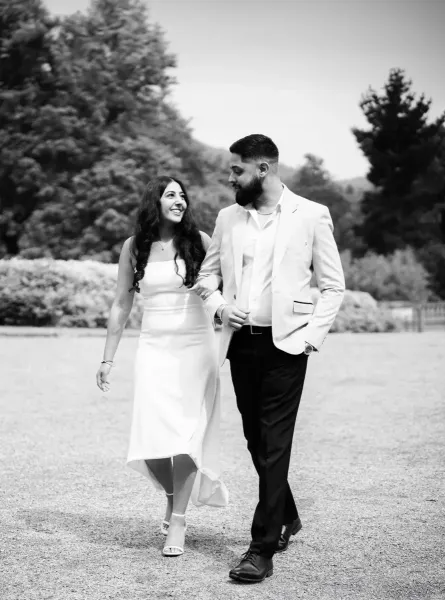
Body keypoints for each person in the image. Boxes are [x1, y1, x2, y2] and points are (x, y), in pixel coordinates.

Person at [193, 134, 345, 583]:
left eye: (237, 169)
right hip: (241, 344)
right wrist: (221, 306)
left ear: (263, 168)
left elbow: (333, 285)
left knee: (274, 442)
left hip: (287, 347)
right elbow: (206, 277)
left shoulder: (311, 215)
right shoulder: (228, 217)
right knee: (255, 440)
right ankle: (288, 515)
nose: (230, 176)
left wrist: (311, 338)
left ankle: (261, 548)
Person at [96, 175, 228, 558]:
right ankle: (172, 495)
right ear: (154, 201)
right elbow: (122, 303)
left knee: (187, 434)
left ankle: (180, 520)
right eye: (171, 195)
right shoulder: (134, 247)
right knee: (152, 435)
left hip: (196, 347)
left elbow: (223, 288)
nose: (180, 201)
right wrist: (108, 358)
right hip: (153, 347)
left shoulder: (200, 242)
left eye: (183, 195)